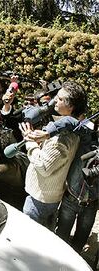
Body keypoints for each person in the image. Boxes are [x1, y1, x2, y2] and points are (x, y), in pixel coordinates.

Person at [19, 81, 86, 230]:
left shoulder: (61, 138)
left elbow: (43, 166)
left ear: (71, 106)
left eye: (61, 99)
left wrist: (29, 141)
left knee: (31, 237)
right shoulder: (72, 128)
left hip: (40, 199)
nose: (55, 99)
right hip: (50, 196)